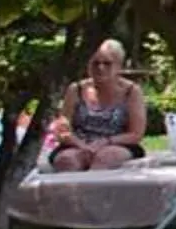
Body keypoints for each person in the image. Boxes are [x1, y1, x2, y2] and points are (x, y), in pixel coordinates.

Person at [48, 41, 148, 171]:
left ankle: (94, 191)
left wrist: (105, 142)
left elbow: (136, 134)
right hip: (78, 144)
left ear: (118, 66)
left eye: (107, 63)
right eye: (95, 63)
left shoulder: (131, 91)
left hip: (117, 143)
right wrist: (82, 145)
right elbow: (62, 130)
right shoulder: (75, 89)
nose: (100, 68)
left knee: (105, 158)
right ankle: (68, 191)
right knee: (66, 160)